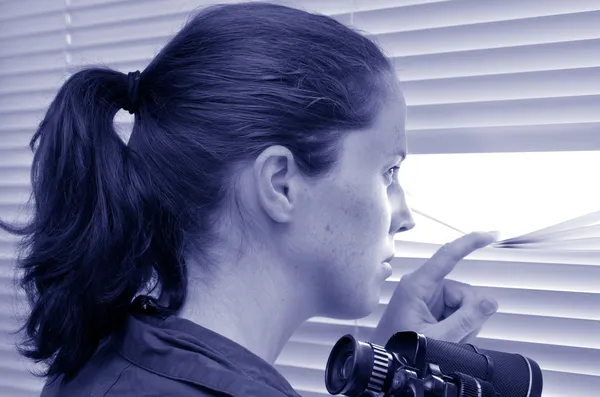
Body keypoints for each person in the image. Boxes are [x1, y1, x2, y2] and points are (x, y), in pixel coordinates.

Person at [1, 2, 499, 396]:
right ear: (280, 183)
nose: (405, 216)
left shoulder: (113, 358)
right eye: (388, 172)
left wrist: (385, 375)